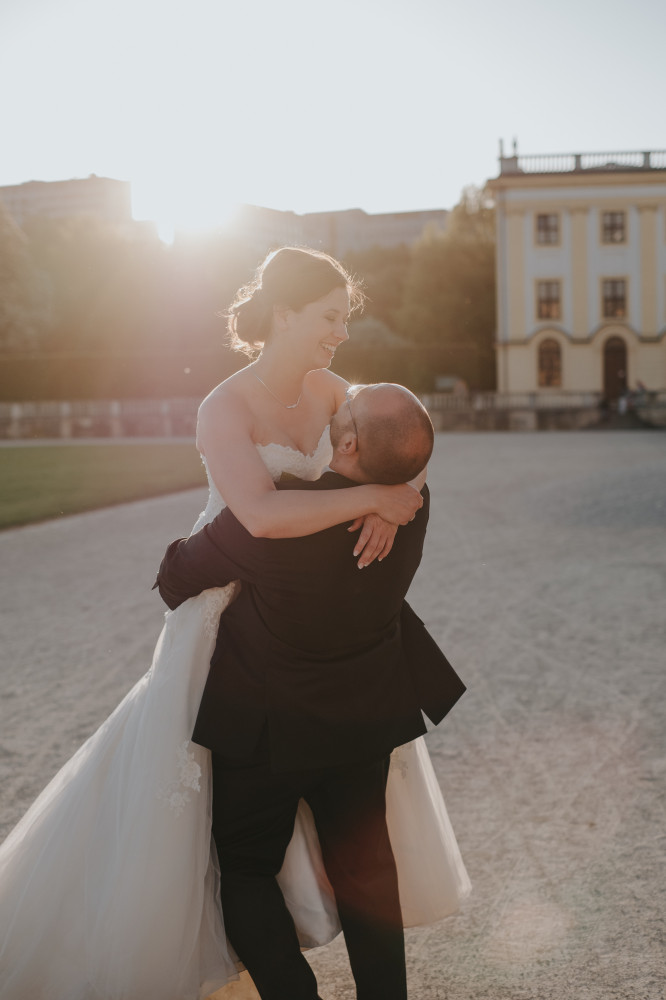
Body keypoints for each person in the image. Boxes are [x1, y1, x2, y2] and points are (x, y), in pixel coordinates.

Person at [0, 247, 468, 1000]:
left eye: (343, 320)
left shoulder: (335, 389)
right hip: (239, 631)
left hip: (299, 630)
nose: (340, 334)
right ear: (283, 313)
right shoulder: (224, 406)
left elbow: (402, 437)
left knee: (275, 849)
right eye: (328, 317)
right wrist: (372, 500)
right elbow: (258, 514)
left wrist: (404, 488)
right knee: (258, 837)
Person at [156, 382, 468, 1000]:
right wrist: (383, 491)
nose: (333, 407)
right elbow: (409, 446)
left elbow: (173, 580)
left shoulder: (270, 518)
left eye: (341, 413)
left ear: (347, 440)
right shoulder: (409, 504)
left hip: (266, 729)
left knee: (245, 868)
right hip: (364, 720)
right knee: (367, 873)